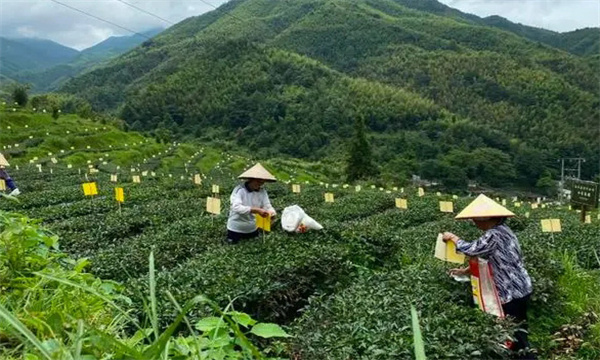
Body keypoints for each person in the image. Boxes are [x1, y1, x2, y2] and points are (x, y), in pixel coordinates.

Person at [443, 194, 535, 360]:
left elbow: (472, 249)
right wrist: (466, 271)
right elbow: (491, 259)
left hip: (511, 291)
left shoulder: (494, 234)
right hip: (521, 288)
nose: (474, 222)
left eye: (475, 219)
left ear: (484, 218)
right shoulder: (504, 231)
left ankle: (525, 357)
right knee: (518, 328)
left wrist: (453, 238)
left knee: (513, 333)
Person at [226, 163, 277, 245]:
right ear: (251, 179)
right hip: (236, 228)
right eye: (258, 181)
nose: (260, 184)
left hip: (252, 228)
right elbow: (236, 207)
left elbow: (267, 205)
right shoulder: (240, 190)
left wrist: (271, 212)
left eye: (262, 182)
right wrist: (256, 210)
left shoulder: (262, 191)